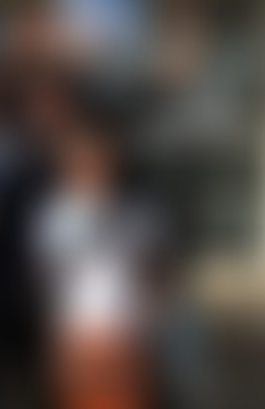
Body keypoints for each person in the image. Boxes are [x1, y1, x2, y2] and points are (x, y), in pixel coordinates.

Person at [33, 122, 163, 409]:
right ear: (68, 165)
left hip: (128, 337)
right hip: (79, 339)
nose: (95, 167)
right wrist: (56, 348)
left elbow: (153, 276)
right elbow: (47, 286)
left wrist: (147, 330)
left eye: (102, 159)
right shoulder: (54, 218)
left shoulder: (141, 214)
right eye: (85, 159)